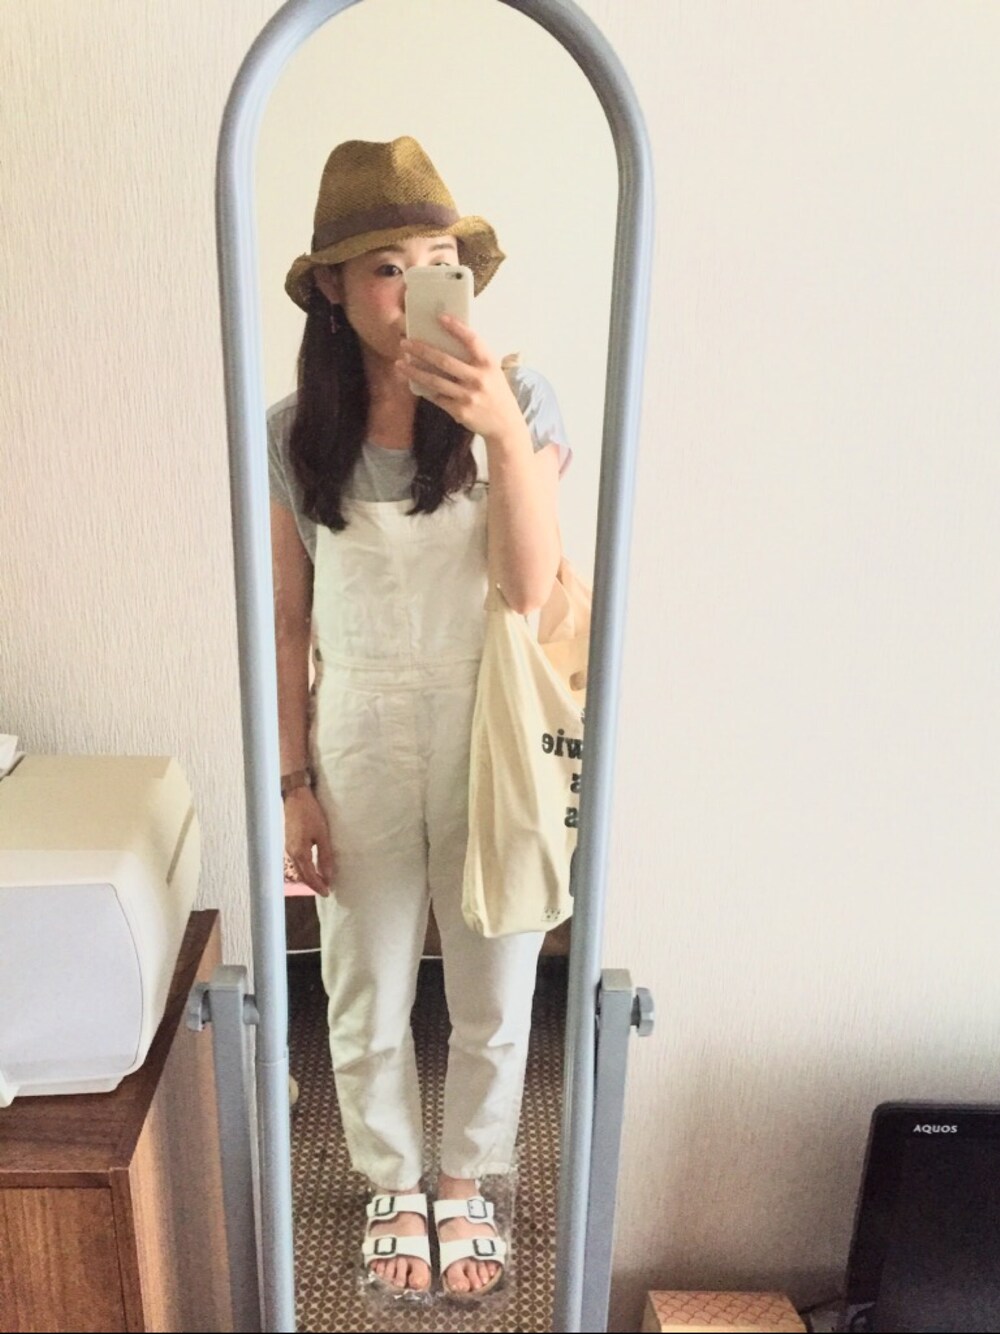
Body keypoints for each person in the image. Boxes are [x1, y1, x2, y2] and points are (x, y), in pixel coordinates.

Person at [268, 137, 569, 1300]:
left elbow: (527, 590)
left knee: (496, 971)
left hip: (491, 724)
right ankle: (392, 1176)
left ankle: (464, 1176)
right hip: (359, 725)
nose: (412, 289)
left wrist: (499, 432)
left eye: (436, 262)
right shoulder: (295, 432)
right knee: (366, 975)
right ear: (333, 291)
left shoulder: (520, 400)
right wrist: (292, 784)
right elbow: (286, 623)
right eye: (386, 267)